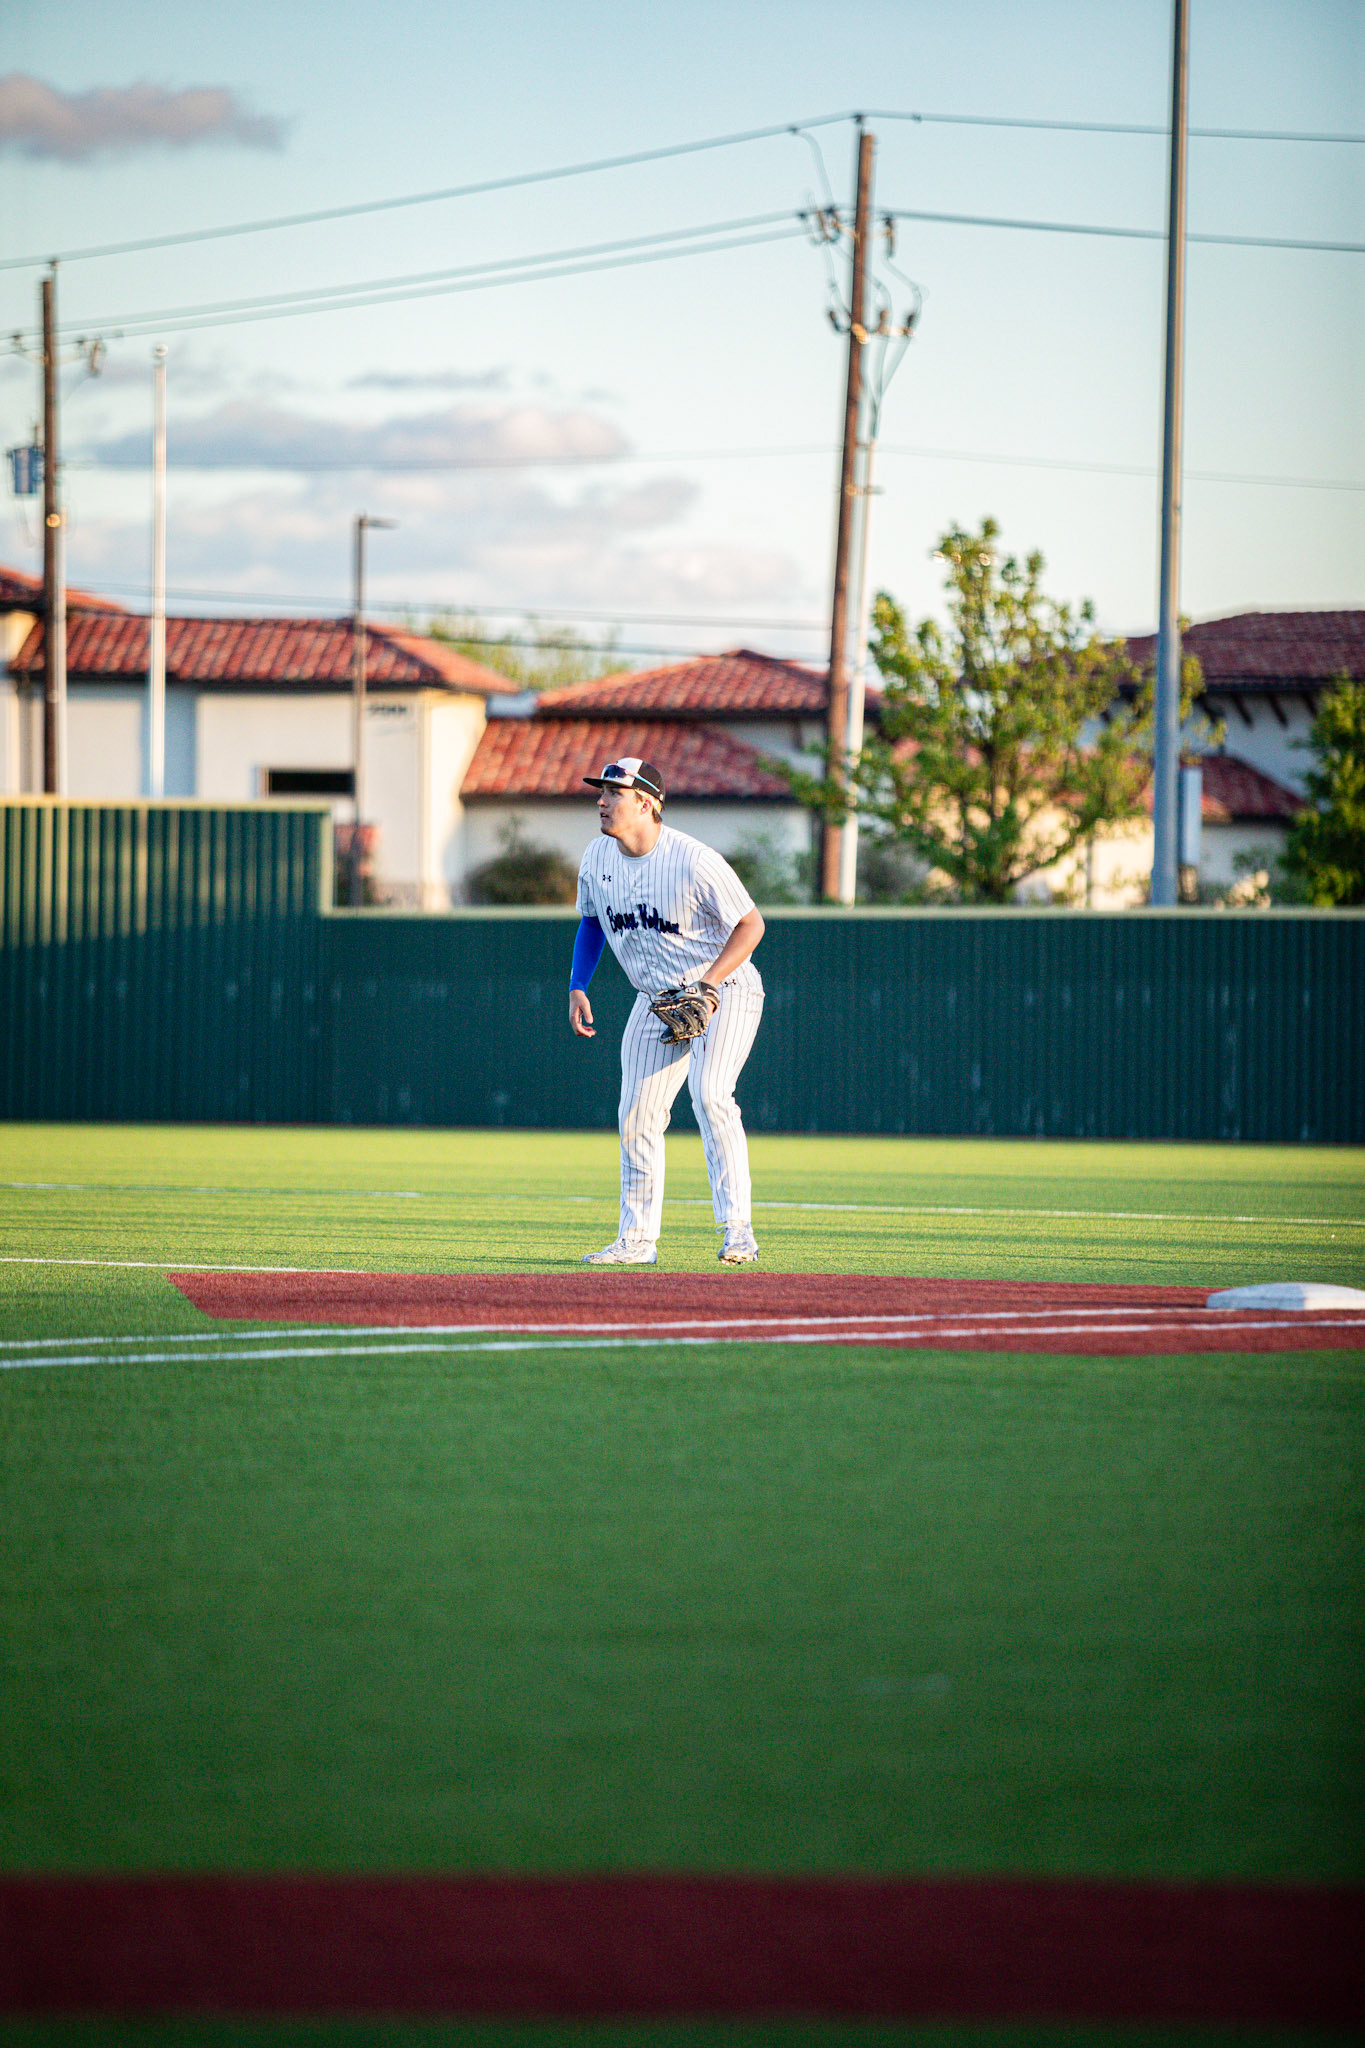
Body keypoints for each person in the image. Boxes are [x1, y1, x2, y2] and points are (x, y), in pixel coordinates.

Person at [569, 757, 765, 1266]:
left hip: (725, 990)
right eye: (602, 792)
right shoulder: (596, 856)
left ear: (647, 803)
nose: (602, 801)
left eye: (614, 792)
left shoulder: (694, 860)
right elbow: (592, 921)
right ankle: (636, 1239)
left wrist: (709, 984)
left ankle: (738, 1230)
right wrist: (578, 984)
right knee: (637, 1113)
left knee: (711, 1095)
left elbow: (751, 925)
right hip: (654, 998)